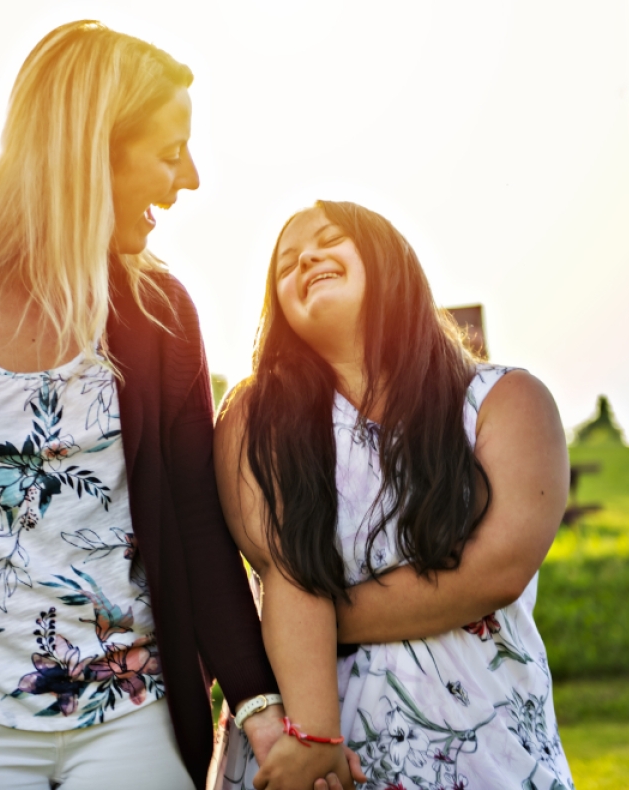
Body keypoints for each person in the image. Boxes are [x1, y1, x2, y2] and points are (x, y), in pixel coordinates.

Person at [0, 20, 288, 790]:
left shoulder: (160, 313)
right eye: (168, 152)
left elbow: (197, 522)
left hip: (130, 718)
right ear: (91, 150)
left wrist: (259, 705)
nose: (188, 178)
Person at [214, 200, 575, 790]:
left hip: (491, 757)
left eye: (329, 240)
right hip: (315, 765)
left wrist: (311, 619)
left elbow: (496, 572)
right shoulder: (253, 418)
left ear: (387, 257)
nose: (307, 258)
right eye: (287, 263)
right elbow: (284, 568)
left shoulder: (507, 400)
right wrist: (314, 740)